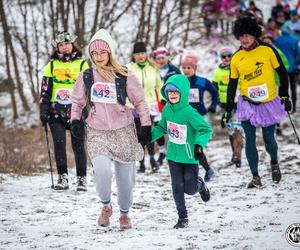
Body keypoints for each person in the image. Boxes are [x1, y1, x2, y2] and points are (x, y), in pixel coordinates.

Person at [70, 29, 151, 229]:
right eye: (94, 53)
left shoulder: (124, 75)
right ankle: (106, 206)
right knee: (102, 171)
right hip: (97, 131)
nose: (98, 57)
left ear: (110, 53)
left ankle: (124, 214)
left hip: (123, 130)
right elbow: (77, 102)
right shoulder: (86, 76)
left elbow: (140, 102)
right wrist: (75, 121)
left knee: (125, 181)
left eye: (102, 53)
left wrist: (146, 124)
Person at [223, 17, 292, 188]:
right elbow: (232, 84)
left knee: (269, 139)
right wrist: (228, 108)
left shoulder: (267, 50)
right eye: (241, 36)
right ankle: (255, 176)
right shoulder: (237, 57)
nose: (244, 40)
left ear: (255, 35)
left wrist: (284, 95)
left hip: (267, 102)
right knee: (251, 140)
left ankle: (274, 163)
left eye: (247, 35)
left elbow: (282, 73)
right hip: (247, 103)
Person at [151, 74, 212, 229]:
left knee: (190, 190)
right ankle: (182, 217)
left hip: (189, 157)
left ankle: (200, 185)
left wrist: (199, 145)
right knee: (177, 187)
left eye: (175, 92)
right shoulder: (166, 110)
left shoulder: (189, 112)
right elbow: (162, 127)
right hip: (173, 156)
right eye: (169, 92)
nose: (172, 95)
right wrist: (149, 137)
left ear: (183, 93)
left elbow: (205, 129)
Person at [39, 31, 89, 191]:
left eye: (67, 44)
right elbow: (45, 90)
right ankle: (62, 178)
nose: (64, 47)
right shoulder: (52, 65)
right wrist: (43, 110)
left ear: (73, 44)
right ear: (57, 48)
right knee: (59, 145)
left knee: (78, 146)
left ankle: (81, 179)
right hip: (56, 111)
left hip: (77, 111)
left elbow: (89, 89)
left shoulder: (82, 64)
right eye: (60, 45)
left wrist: (91, 110)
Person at [181, 54, 218, 182]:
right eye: (184, 67)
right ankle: (206, 170)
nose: (186, 70)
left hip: (199, 117)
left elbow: (214, 92)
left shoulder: (202, 81)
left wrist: (213, 105)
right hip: (185, 118)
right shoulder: (180, 81)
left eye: (188, 68)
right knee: (188, 146)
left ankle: (205, 171)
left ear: (194, 68)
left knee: (196, 146)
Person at [127, 42, 162, 173]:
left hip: (149, 105)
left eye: (142, 53)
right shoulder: (128, 68)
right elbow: (123, 85)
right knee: (139, 135)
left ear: (146, 54)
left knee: (147, 133)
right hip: (133, 105)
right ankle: (141, 163)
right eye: (137, 54)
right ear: (133, 56)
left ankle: (152, 159)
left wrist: (162, 98)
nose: (141, 56)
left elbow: (159, 85)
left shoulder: (153, 68)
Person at [212, 47, 244, 168]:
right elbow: (214, 89)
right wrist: (216, 102)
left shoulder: (238, 68)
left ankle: (238, 157)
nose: (226, 58)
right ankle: (234, 155)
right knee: (230, 132)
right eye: (223, 56)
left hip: (239, 104)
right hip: (225, 106)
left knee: (238, 131)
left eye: (229, 56)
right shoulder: (217, 72)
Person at [153, 46, 181, 166]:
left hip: (172, 101)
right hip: (157, 102)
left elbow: (181, 83)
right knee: (158, 126)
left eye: (163, 58)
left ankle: (174, 151)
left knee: (172, 126)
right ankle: (162, 151)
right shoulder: (153, 70)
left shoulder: (174, 70)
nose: (161, 60)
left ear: (167, 58)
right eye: (158, 58)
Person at [274, 23, 299, 114]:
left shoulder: (277, 41)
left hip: (280, 69)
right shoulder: (294, 40)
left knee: (282, 87)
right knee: (293, 87)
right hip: (292, 68)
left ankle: (280, 107)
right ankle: (294, 107)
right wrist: (296, 64)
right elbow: (298, 54)